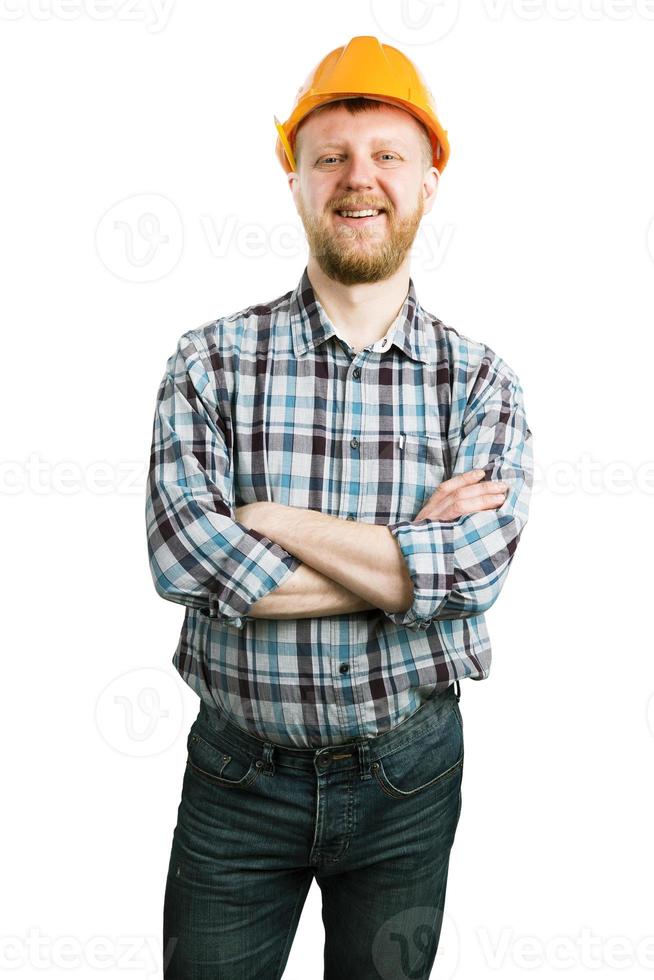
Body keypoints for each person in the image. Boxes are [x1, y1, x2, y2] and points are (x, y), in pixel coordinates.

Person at [146, 35, 533, 980]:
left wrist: (267, 518)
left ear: (429, 180)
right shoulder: (210, 362)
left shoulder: (481, 382)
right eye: (331, 156)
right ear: (297, 182)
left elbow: (473, 572)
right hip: (237, 779)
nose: (360, 179)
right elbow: (182, 561)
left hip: (411, 776)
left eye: (388, 156)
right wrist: (407, 567)